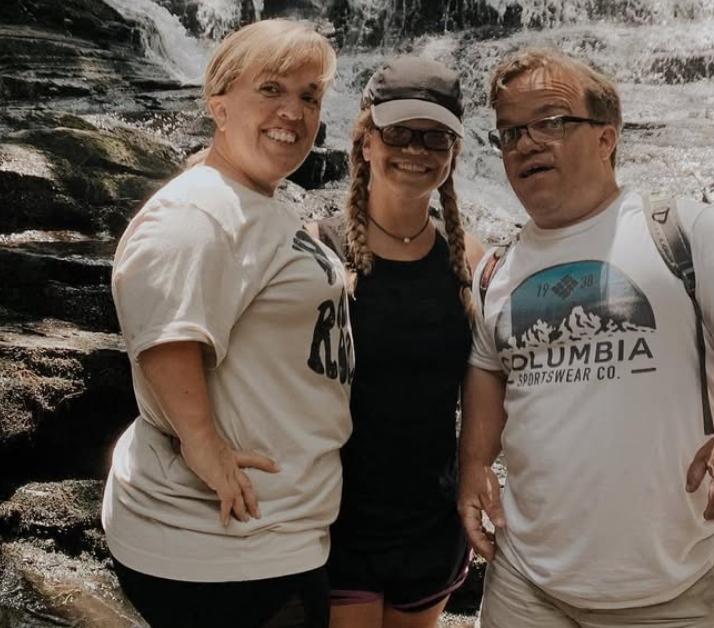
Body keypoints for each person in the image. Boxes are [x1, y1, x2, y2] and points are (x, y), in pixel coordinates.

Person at [458, 48, 714, 628]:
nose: (527, 143)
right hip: (526, 584)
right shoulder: (501, 272)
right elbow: (487, 367)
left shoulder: (682, 228)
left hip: (673, 589)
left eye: (552, 122)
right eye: (511, 133)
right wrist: (474, 464)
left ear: (607, 138)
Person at [101, 19, 353, 628]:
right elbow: (165, 329)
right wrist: (203, 445)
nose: (293, 111)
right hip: (222, 549)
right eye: (271, 89)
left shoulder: (255, 201)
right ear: (218, 104)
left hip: (272, 534)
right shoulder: (198, 209)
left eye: (309, 96)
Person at [308, 57, 485, 628]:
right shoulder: (319, 248)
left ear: (453, 152)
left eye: (436, 136)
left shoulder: (471, 260)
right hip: (338, 520)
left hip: (430, 523)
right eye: (399, 132)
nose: (417, 148)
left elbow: (489, 381)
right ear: (364, 143)